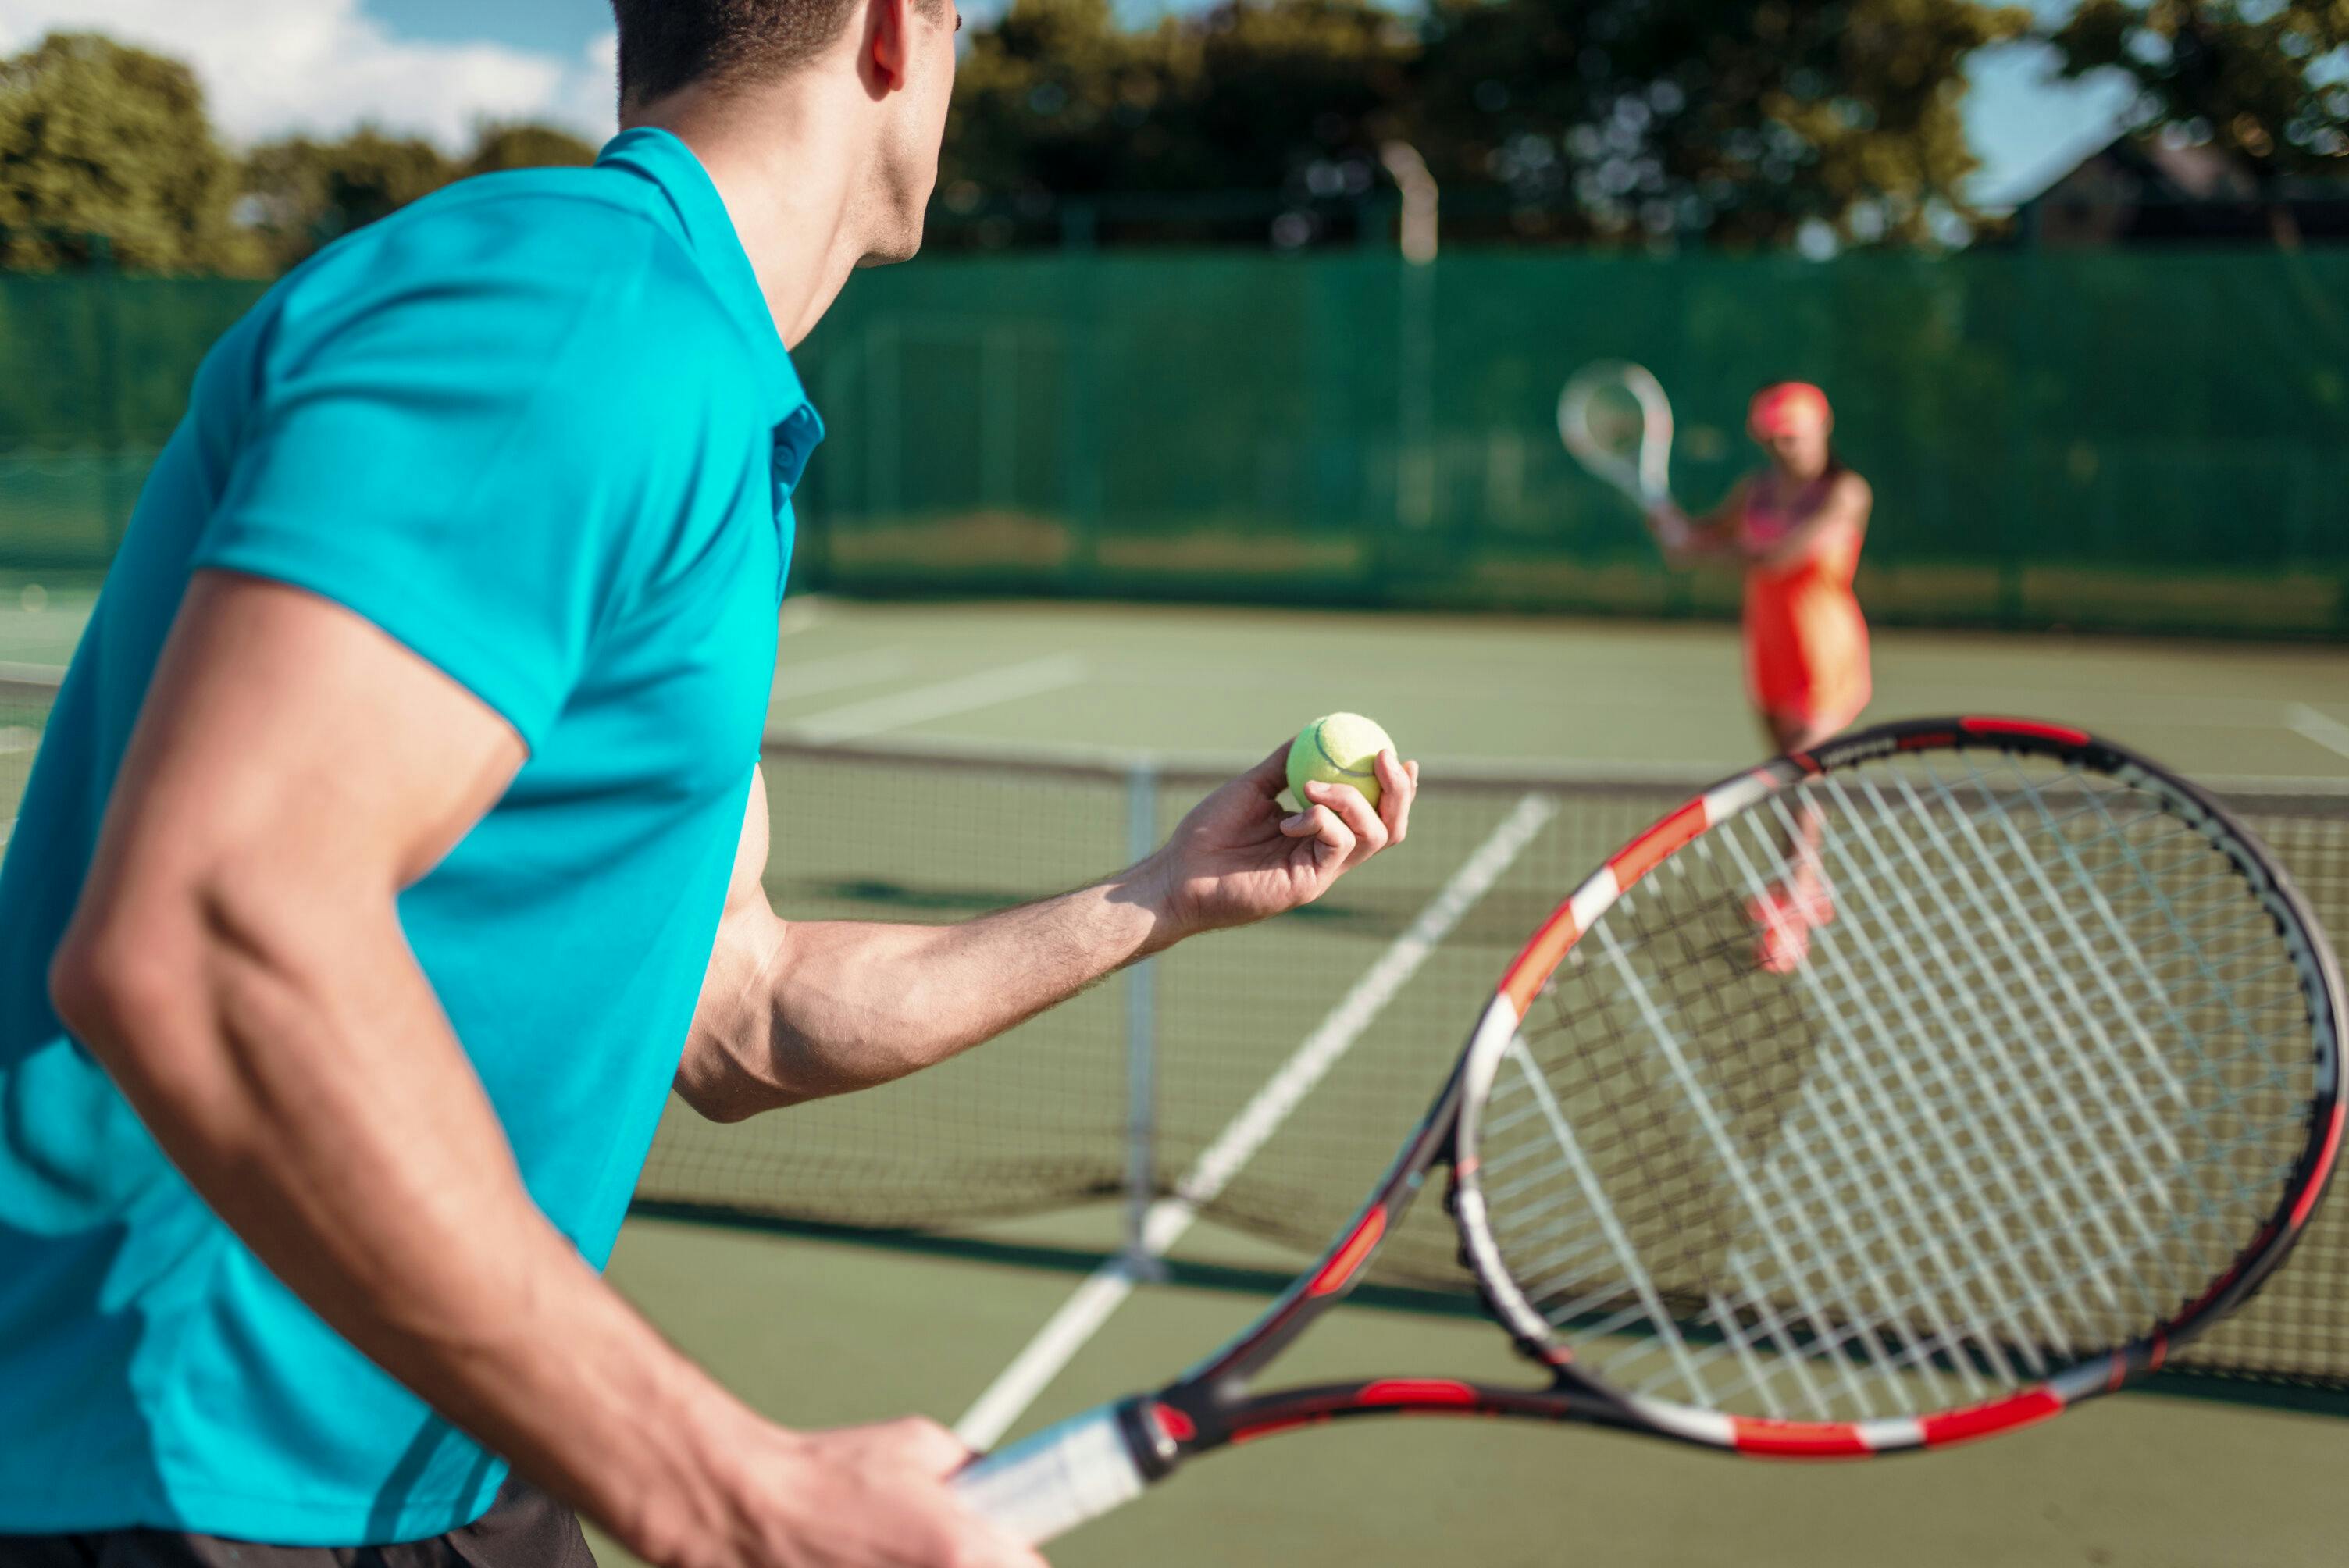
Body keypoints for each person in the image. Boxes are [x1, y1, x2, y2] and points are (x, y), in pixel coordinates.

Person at [0, 2, 1419, 1566]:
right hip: (178, 1459)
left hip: (443, 1453)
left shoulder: (686, 381)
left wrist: (1155, 896)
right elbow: (204, 935)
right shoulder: (577, 312)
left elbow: (744, 1011)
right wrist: (731, 1485)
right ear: (898, 31)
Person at [1651, 381, 1871, 971]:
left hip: (1824, 656)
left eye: (1792, 437)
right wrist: (1676, 531)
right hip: (1770, 651)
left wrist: (1698, 551)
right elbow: (1706, 535)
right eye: (1773, 439)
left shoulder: (1845, 493)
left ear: (1821, 430)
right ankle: (1809, 885)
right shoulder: (1755, 491)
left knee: (1802, 778)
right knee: (1788, 776)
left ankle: (1792, 910)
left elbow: (1779, 556)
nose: (1783, 449)